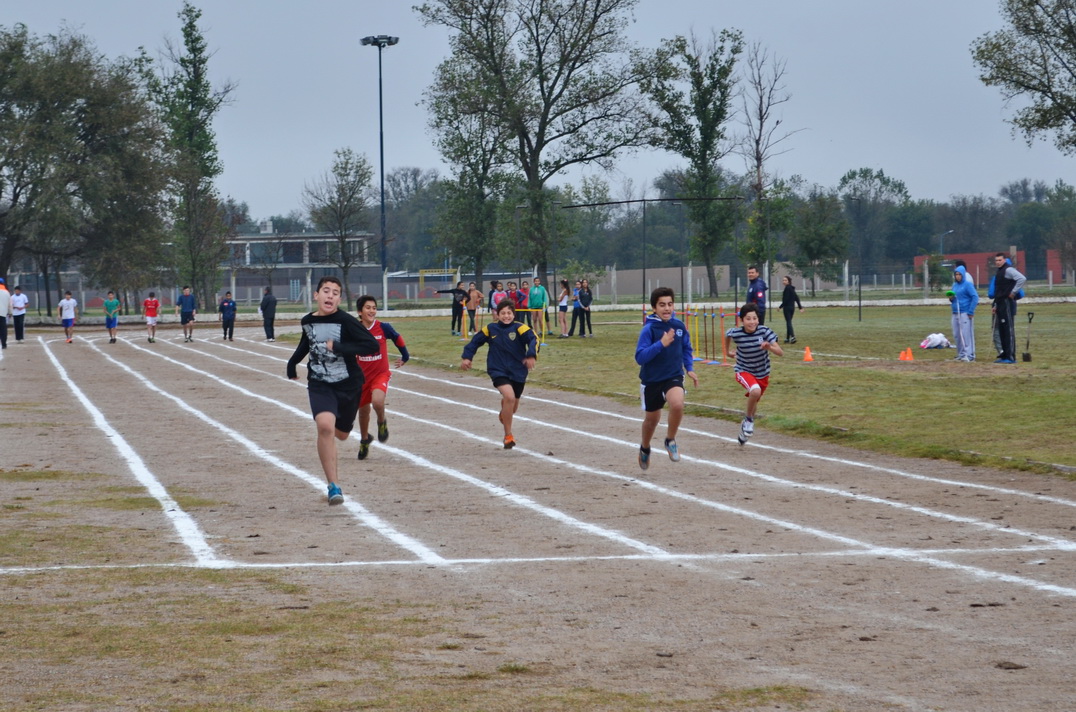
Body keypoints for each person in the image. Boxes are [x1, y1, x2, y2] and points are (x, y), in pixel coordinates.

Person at [286, 276, 379, 505]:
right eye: (326, 291)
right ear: (316, 295)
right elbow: (306, 343)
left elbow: (371, 345)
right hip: (320, 383)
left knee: (342, 434)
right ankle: (333, 486)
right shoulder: (307, 321)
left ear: (339, 299)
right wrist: (292, 363)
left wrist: (339, 347)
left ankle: (343, 430)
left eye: (335, 292)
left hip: (348, 384)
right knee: (325, 426)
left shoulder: (346, 321)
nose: (330, 295)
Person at [460, 299, 538, 449]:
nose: (506, 316)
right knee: (508, 396)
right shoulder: (491, 328)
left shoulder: (520, 328)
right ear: (497, 314)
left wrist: (531, 355)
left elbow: (533, 339)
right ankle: (508, 436)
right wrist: (467, 357)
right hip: (498, 369)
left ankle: (505, 411)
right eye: (503, 313)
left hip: (518, 371)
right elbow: (475, 341)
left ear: (514, 314)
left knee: (512, 407)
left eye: (509, 313)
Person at [635, 286, 698, 470]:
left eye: (670, 304)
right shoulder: (649, 329)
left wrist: (690, 368)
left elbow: (686, 348)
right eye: (662, 305)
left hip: (673, 376)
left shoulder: (678, 326)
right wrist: (660, 344)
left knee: (677, 404)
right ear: (654, 308)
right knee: (651, 420)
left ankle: (670, 439)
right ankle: (645, 448)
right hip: (652, 380)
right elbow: (640, 357)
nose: (667, 308)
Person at [355, 295, 410, 460]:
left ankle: (381, 421)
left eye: (374, 307)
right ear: (360, 311)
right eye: (368, 308)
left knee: (378, 401)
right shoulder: (354, 329)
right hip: (361, 377)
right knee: (363, 411)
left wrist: (405, 356)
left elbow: (397, 338)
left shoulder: (383, 327)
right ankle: (365, 439)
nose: (372, 311)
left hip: (380, 374)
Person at [724, 302, 783, 445]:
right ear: (742, 320)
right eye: (748, 319)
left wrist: (769, 347)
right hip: (743, 370)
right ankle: (749, 420)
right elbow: (727, 335)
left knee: (755, 398)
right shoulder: (737, 332)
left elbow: (780, 352)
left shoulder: (764, 332)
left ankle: (745, 428)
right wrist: (728, 352)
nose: (752, 322)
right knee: (755, 391)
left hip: (763, 373)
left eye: (754, 318)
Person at [991, 252, 1026, 364]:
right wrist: (995, 305)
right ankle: (1004, 355)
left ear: (1004, 260)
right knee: (1002, 330)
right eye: (996, 260)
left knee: (1008, 329)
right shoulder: (999, 272)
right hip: (1000, 303)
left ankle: (1011, 357)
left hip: (1007, 303)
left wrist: (1013, 292)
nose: (998, 262)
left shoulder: (1008, 270)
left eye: (1000, 260)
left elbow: (1022, 278)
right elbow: (998, 291)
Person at [949, 263, 978, 362]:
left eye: (959, 274)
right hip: (955, 312)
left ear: (963, 275)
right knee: (957, 334)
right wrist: (951, 299)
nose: (957, 276)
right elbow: (954, 298)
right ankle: (961, 354)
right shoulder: (954, 286)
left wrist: (971, 311)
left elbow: (975, 297)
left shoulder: (968, 285)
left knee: (966, 334)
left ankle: (970, 355)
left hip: (965, 313)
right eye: (956, 274)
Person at [778, 276, 803, 343]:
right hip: (792, 308)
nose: (784, 281)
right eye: (783, 280)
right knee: (788, 322)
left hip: (787, 308)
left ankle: (792, 337)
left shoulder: (787, 289)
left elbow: (785, 300)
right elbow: (796, 298)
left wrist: (780, 307)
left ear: (788, 281)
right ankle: (787, 338)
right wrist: (800, 307)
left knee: (788, 322)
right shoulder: (792, 288)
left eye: (785, 280)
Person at [0, 279, 9, 349]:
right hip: (3, 314)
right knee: (3, 329)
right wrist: (10, 312)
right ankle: (4, 344)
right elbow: (10, 304)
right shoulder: (6, 292)